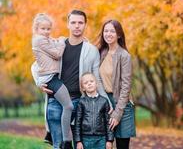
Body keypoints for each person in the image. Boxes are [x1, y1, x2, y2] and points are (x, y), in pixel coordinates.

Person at [38, 10, 111, 149]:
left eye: (80, 23)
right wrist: (39, 83)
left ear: (85, 25)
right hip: (55, 100)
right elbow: (36, 65)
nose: (77, 26)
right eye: (73, 22)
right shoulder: (56, 45)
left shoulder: (92, 51)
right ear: (68, 24)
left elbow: (97, 80)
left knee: (79, 144)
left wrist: (108, 103)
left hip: (79, 102)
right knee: (59, 145)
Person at [31, 13, 73, 148]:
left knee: (66, 106)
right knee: (69, 106)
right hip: (50, 78)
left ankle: (55, 136)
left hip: (51, 77)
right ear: (36, 29)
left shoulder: (46, 40)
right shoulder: (38, 40)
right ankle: (67, 141)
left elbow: (54, 42)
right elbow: (57, 53)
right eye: (43, 29)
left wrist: (61, 39)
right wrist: (61, 42)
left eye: (48, 29)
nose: (46, 32)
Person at [97, 20, 136, 149]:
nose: (108, 34)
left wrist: (118, 113)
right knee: (105, 144)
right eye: (106, 31)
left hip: (122, 105)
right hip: (104, 102)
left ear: (119, 34)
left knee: (122, 145)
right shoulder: (100, 52)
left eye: (112, 31)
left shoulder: (124, 56)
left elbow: (126, 87)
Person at [75, 72, 114, 149]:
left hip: (101, 138)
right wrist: (78, 141)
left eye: (91, 81)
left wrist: (109, 140)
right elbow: (78, 122)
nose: (89, 84)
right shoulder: (81, 102)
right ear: (83, 88)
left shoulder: (104, 101)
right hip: (85, 138)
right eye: (86, 83)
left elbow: (108, 122)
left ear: (97, 84)